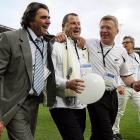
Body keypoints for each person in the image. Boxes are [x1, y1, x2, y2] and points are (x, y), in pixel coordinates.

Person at [0, 2, 58, 139]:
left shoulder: (47, 42)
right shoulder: (9, 38)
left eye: (49, 17)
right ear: (30, 19)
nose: (48, 21)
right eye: (43, 17)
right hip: (14, 103)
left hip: (34, 102)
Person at [85, 15, 140, 140]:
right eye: (102, 27)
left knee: (98, 134)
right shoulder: (89, 43)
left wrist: (133, 84)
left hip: (112, 96)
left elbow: (125, 75)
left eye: (108, 27)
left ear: (116, 31)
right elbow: (73, 38)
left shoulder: (121, 51)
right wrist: (62, 34)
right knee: (107, 134)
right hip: (96, 96)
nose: (104, 30)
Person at [49, 13, 91, 140]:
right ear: (63, 26)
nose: (77, 26)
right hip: (61, 104)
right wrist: (66, 83)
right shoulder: (55, 44)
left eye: (79, 24)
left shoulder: (81, 47)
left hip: (80, 104)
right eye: (73, 23)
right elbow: (49, 75)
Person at [112, 36, 140, 140]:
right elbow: (116, 71)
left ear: (132, 44)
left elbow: (138, 71)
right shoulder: (120, 56)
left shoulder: (137, 56)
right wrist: (118, 85)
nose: (124, 44)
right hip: (123, 87)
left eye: (127, 42)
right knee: (119, 111)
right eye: (123, 43)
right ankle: (115, 133)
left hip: (135, 88)